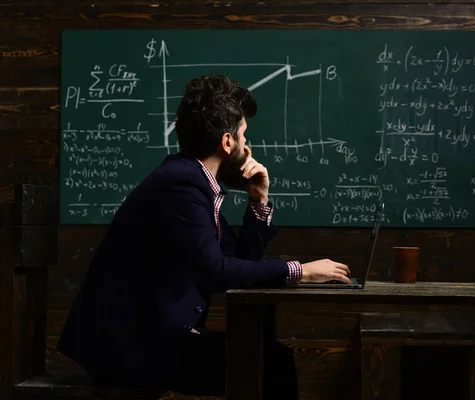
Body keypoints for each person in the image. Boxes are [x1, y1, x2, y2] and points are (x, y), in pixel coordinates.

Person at [57, 74, 352, 399]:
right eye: (243, 135)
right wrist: (304, 271)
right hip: (129, 349)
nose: (247, 146)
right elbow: (217, 272)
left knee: (271, 360)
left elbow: (239, 264)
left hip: (148, 339)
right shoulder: (181, 187)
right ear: (227, 142)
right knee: (273, 363)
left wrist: (258, 201)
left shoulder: (189, 182)